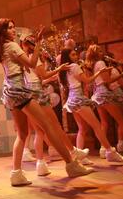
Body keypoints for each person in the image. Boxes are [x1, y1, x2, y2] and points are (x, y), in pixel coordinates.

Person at [0, 18, 93, 187]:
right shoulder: (11, 46)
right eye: (9, 28)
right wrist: (38, 44)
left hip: (10, 91)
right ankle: (71, 164)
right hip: (19, 91)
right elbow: (32, 63)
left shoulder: (1, 47)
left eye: (13, 27)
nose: (13, 30)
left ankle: (16, 174)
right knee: (47, 126)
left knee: (23, 134)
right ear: (2, 31)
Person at [20, 37, 90, 176]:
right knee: (55, 126)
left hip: (28, 93)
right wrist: (59, 69)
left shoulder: (21, 59)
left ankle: (41, 163)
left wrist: (47, 78)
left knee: (40, 131)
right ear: (32, 45)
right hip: (37, 93)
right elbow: (43, 74)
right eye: (35, 43)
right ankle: (72, 152)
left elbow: (38, 77)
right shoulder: (33, 58)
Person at [59, 48, 123, 162]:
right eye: (73, 54)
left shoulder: (65, 69)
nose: (76, 56)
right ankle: (110, 151)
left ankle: (79, 157)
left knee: (82, 128)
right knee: (96, 125)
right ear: (68, 56)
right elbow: (87, 80)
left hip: (72, 99)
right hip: (78, 99)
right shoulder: (74, 67)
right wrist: (99, 72)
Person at [85, 45, 123, 158]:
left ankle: (103, 148)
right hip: (105, 94)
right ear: (96, 53)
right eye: (100, 51)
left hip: (97, 95)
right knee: (121, 121)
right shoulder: (100, 63)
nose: (102, 52)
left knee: (104, 123)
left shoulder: (92, 65)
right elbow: (107, 81)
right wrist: (122, 75)